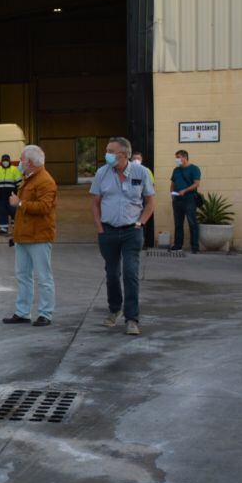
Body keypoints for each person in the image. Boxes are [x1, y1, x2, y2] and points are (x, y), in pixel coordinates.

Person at [90, 136, 156, 336]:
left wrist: (140, 223)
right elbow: (95, 203)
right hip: (108, 231)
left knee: (130, 273)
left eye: (111, 151)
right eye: (107, 150)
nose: (107, 154)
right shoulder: (102, 173)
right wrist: (100, 228)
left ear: (124, 154)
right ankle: (114, 309)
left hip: (131, 232)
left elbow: (150, 202)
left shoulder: (141, 172)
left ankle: (132, 318)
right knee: (111, 274)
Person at [1, 145, 57, 327]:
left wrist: (20, 203)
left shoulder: (45, 181)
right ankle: (23, 312)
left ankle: (45, 313)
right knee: (23, 275)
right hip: (24, 236)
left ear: (30, 162)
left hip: (39, 236)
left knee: (43, 276)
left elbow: (44, 207)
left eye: (22, 159)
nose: (19, 162)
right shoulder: (29, 178)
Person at [169, 149, 201, 253]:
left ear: (185, 157)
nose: (176, 160)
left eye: (178, 157)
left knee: (192, 223)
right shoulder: (176, 170)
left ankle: (195, 247)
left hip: (189, 199)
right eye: (176, 157)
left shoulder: (194, 169)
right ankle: (178, 246)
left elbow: (196, 183)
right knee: (178, 223)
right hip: (177, 199)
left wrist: (185, 190)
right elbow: (173, 183)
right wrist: (172, 194)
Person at [0, 153, 23, 235]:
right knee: (1, 212)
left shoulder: (14, 170)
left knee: (14, 211)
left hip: (11, 196)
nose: (5, 162)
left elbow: (19, 184)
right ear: (1, 161)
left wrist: (18, 194)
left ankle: (16, 227)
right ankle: (3, 228)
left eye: (6, 160)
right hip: (0, 196)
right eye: (4, 160)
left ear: (9, 161)